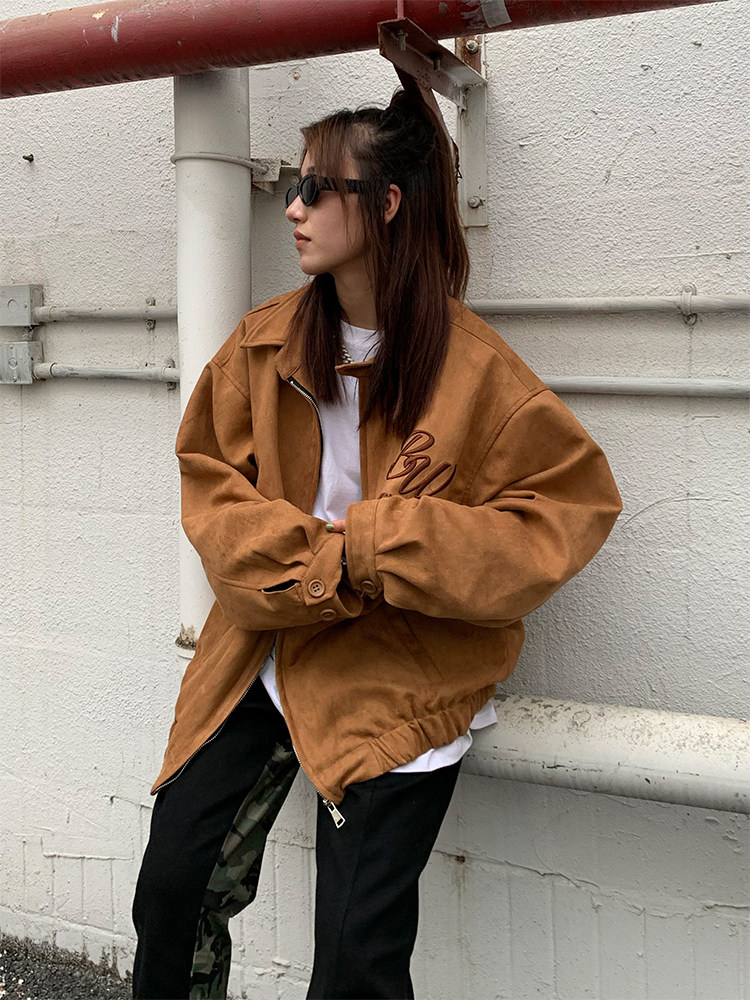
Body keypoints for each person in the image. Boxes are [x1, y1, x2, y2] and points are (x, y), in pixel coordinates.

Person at [132, 84, 622, 1000]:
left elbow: (569, 512)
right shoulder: (262, 347)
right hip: (266, 645)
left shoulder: (477, 373)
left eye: (317, 188)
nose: (293, 208)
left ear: (386, 203)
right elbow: (212, 491)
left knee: (357, 959)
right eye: (295, 188)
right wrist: (325, 563)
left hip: (401, 672)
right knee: (173, 888)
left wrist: (382, 545)